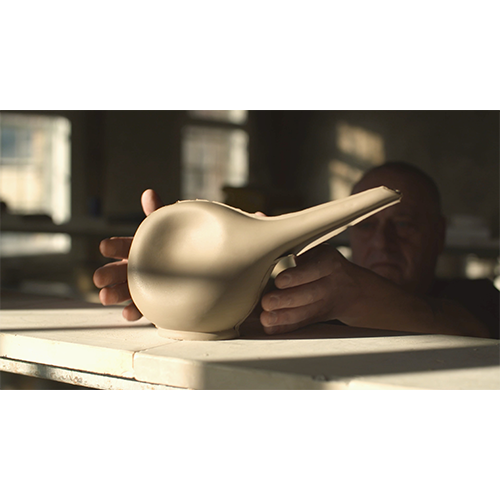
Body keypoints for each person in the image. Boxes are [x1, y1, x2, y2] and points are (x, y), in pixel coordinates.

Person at [93, 162, 500, 339]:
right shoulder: (306, 299)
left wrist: (359, 297)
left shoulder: (477, 299)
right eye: (366, 225)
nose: (383, 241)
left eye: (405, 224)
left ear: (440, 234)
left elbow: (480, 334)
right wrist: (203, 284)